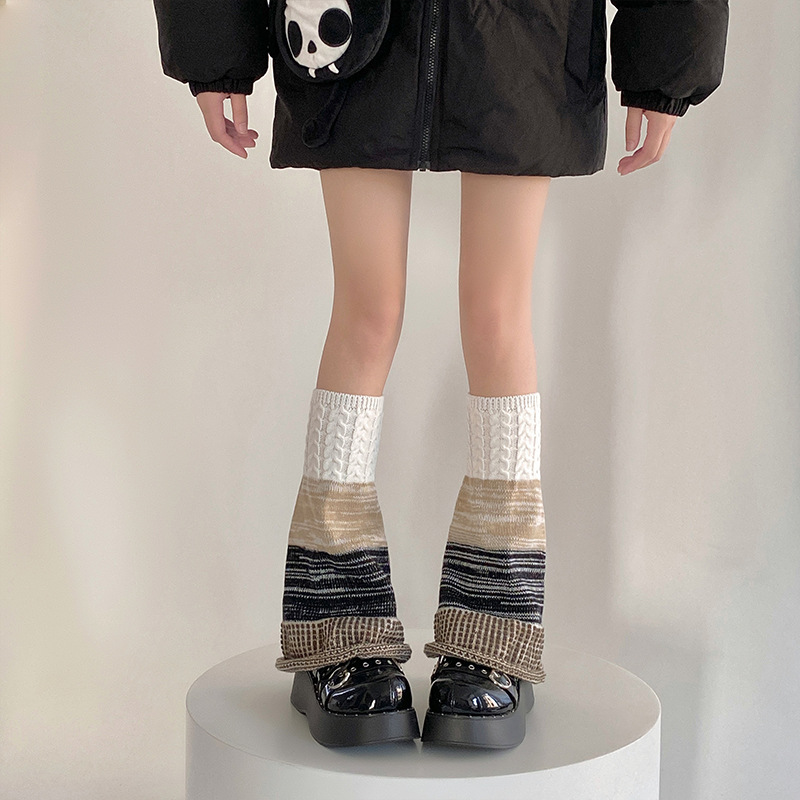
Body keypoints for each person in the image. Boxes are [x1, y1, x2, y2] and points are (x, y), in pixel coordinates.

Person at [152, 0, 729, 749]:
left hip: (524, 29)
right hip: (345, 28)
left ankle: (495, 628)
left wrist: (668, 61)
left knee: (496, 315)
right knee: (369, 312)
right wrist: (215, 48)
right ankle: (334, 622)